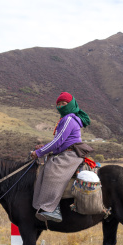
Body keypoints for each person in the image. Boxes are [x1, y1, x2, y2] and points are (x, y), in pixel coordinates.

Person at [30, 92, 91, 222]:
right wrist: (43, 147)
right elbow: (60, 142)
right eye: (59, 104)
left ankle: (53, 209)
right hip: (65, 151)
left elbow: (58, 141)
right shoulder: (69, 118)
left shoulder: (68, 119)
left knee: (52, 171)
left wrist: (39, 152)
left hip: (70, 154)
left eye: (64, 104)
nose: (61, 106)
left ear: (72, 104)